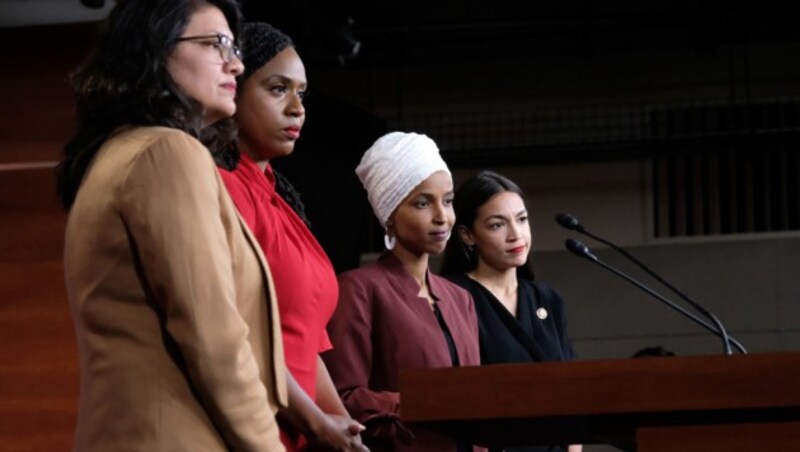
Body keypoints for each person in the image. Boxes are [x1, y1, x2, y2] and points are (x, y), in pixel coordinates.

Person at [56, 1, 287, 450]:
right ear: (154, 51)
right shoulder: (166, 153)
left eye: (233, 46)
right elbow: (214, 340)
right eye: (214, 43)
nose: (235, 63)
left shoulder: (122, 153)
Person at [218, 22, 366, 451]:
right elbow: (236, 337)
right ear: (234, 90)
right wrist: (318, 424)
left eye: (301, 92)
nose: (297, 108)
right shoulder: (224, 189)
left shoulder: (283, 201)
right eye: (277, 89)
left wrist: (343, 425)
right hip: (254, 432)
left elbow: (307, 345)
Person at [323, 132, 482, 452]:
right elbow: (343, 399)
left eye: (448, 201)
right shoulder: (359, 289)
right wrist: (428, 402)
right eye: (423, 203)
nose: (442, 216)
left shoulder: (459, 298)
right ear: (389, 214)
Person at [440, 170, 580, 452]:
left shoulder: (546, 299)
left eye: (522, 219)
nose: (516, 234)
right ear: (468, 235)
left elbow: (572, 391)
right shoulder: (452, 296)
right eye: (497, 225)